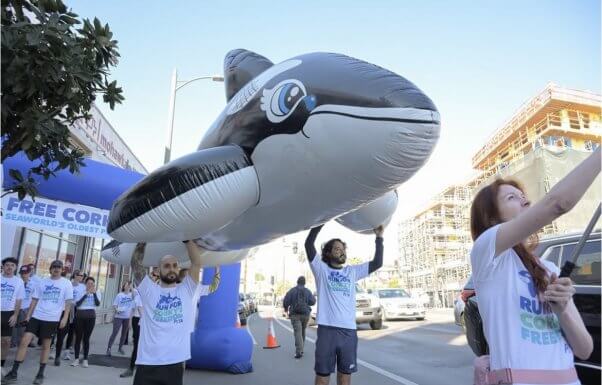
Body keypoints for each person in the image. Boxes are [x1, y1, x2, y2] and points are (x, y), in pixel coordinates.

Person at [469, 147, 599, 385]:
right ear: (491, 219)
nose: (525, 200)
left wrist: (562, 308)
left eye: (523, 196)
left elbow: (584, 349)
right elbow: (558, 203)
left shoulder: (550, 268)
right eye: (512, 198)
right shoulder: (487, 252)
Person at [305, 224, 384, 385]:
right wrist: (320, 222)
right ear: (328, 252)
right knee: (322, 378)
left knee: (345, 378)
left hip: (348, 332)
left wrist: (379, 238)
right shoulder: (321, 270)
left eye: (343, 249)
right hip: (327, 331)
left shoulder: (352, 271)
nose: (341, 251)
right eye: (337, 249)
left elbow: (377, 263)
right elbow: (308, 244)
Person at [129, 241, 205, 385]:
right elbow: (135, 265)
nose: (172, 269)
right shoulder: (149, 290)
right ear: (158, 270)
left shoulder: (187, 290)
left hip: (174, 365)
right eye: (167, 266)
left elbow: (197, 263)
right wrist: (143, 241)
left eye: (175, 266)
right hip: (147, 364)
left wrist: (187, 239)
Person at [3, 259, 73, 384]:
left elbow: (68, 302)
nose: (56, 269)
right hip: (36, 316)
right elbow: (34, 300)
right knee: (24, 341)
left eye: (59, 267)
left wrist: (65, 318)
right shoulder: (42, 282)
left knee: (46, 346)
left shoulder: (66, 283)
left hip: (52, 319)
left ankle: (40, 374)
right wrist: (28, 316)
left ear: (62, 270)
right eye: (54, 267)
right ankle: (14, 372)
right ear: (50, 269)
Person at [54, 269, 85, 363]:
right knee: (60, 330)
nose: (82, 277)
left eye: (83, 276)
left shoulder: (83, 287)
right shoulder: (67, 283)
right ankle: (54, 350)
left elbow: (82, 299)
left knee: (72, 331)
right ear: (75, 275)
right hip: (64, 308)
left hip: (76, 310)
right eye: (80, 275)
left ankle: (66, 351)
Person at [71, 276, 101, 368]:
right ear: (85, 284)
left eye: (92, 284)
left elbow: (97, 304)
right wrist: (86, 294)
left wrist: (94, 294)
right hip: (80, 316)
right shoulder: (81, 291)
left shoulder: (97, 292)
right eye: (88, 283)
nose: (90, 285)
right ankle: (76, 359)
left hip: (91, 316)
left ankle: (85, 359)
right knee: (78, 337)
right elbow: (78, 304)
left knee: (86, 339)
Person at [283, 276, 316, 359]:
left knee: (298, 332)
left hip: (295, 314)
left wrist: (286, 309)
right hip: (305, 314)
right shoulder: (307, 291)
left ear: (297, 282)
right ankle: (301, 349)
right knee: (302, 331)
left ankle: (298, 352)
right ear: (304, 283)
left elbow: (286, 301)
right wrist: (306, 302)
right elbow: (313, 302)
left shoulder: (292, 291)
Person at [1, 258, 25, 372]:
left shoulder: (18, 281)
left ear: (15, 268)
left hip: (9, 313)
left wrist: (15, 315)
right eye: (7, 265)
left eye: (12, 265)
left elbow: (19, 300)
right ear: (3, 267)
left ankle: (1, 366)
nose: (9, 267)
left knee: (5, 341)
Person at [106, 281, 134, 356]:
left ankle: (120, 348)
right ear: (123, 286)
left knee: (124, 334)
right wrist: (117, 310)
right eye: (126, 285)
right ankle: (109, 348)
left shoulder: (131, 295)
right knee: (115, 332)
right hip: (118, 317)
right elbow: (115, 305)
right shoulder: (119, 295)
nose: (127, 286)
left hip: (127, 317)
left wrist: (131, 287)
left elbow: (135, 297)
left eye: (129, 286)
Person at [11, 265, 35, 349]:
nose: (23, 275)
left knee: (22, 328)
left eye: (25, 273)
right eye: (22, 273)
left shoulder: (33, 284)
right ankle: (12, 343)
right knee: (12, 326)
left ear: (29, 273)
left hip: (25, 308)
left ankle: (21, 344)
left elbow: (34, 299)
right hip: (14, 307)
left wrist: (30, 312)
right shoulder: (16, 282)